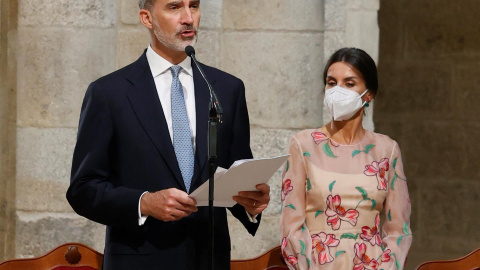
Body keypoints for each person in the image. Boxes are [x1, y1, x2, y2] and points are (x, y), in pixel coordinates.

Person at [66, 0, 270, 269]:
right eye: (174, 7)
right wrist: (145, 203)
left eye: (194, 6)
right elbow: (83, 189)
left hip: (208, 259)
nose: (188, 18)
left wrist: (251, 203)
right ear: (146, 18)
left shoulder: (227, 89)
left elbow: (236, 172)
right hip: (140, 258)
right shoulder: (109, 93)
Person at [279, 48, 412, 270]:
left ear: (368, 94)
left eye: (349, 84)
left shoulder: (387, 150)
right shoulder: (302, 145)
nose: (338, 91)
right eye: (332, 83)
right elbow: (291, 226)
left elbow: (399, 230)